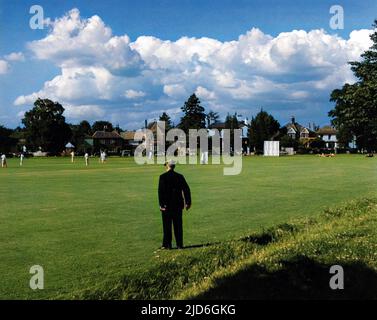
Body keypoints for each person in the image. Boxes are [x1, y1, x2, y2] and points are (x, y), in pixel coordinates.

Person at [158, 160, 191, 249]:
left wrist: (161, 205)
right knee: (178, 226)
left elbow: (161, 192)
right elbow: (186, 189)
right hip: (178, 204)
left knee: (167, 226)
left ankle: (167, 245)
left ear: (168, 166)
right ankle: (179, 244)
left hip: (167, 205)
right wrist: (188, 202)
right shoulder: (180, 176)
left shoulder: (162, 177)